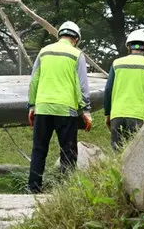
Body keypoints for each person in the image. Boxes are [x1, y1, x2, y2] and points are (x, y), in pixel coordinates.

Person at [26, 21, 92, 193]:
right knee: (68, 151)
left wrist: (32, 106)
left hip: (43, 108)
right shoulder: (77, 55)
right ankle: (66, 191)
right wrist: (86, 110)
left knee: (39, 150)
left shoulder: (44, 52)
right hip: (66, 109)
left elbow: (34, 81)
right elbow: (82, 86)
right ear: (76, 39)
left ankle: (33, 188)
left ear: (60, 35)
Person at [103, 29, 144, 151]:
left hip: (117, 116)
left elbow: (108, 89)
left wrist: (108, 114)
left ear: (129, 47)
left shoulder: (116, 63)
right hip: (139, 116)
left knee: (117, 157)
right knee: (136, 156)